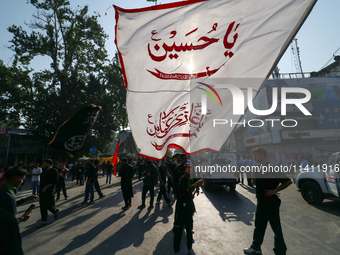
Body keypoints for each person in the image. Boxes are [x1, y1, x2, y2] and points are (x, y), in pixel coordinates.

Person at [244, 147, 292, 255]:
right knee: (259, 226)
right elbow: (255, 182)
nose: (254, 158)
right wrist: (252, 169)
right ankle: (255, 247)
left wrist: (275, 190)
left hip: (271, 203)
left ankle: (280, 250)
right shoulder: (258, 168)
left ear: (262, 155)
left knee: (276, 228)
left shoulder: (271, 168)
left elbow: (288, 181)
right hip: (261, 202)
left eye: (255, 156)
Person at [173, 164, 203, 255]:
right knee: (179, 231)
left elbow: (191, 190)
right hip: (182, 206)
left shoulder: (190, 178)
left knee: (189, 229)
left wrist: (197, 187)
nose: (190, 169)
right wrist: (196, 185)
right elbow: (188, 189)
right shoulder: (183, 179)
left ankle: (189, 249)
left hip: (189, 206)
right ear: (185, 170)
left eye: (191, 168)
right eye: (188, 168)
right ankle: (176, 251)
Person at [37, 159, 60, 228]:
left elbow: (54, 181)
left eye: (44, 164)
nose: (43, 165)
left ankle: (55, 211)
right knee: (42, 205)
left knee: (49, 205)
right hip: (42, 191)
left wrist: (46, 187)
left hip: (50, 190)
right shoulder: (43, 172)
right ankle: (44, 221)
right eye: (42, 164)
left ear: (49, 164)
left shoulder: (54, 171)